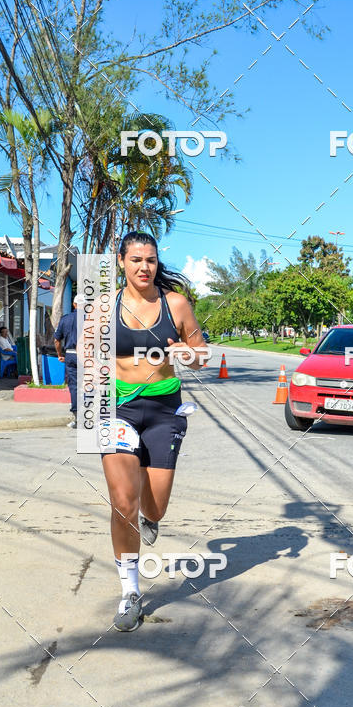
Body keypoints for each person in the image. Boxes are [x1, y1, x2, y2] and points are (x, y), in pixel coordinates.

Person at [102, 231, 207, 631]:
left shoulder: (176, 304)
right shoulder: (105, 306)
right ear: (122, 263)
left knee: (153, 506)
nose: (144, 267)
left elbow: (201, 354)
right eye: (136, 260)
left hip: (165, 410)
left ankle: (152, 518)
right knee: (123, 501)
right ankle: (130, 592)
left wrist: (188, 353)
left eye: (150, 259)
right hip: (118, 409)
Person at [54, 296, 81, 428]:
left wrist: (60, 354)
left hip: (70, 355)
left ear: (74, 304)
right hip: (88, 356)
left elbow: (57, 340)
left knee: (74, 386)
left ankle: (77, 419)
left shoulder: (65, 319)